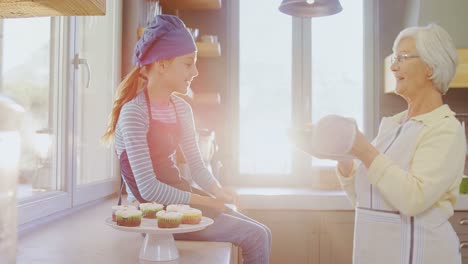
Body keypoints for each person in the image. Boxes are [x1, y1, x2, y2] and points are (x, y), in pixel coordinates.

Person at [101, 14, 271, 263]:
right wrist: (208, 201)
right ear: (161, 64)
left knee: (263, 232)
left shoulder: (181, 109)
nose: (195, 72)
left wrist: (218, 191)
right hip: (155, 215)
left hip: (179, 203)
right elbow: (149, 189)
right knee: (256, 236)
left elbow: (197, 165)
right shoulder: (134, 113)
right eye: (188, 64)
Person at [335, 24, 465, 263]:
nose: (393, 66)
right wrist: (344, 157)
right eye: (395, 58)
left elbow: (412, 198)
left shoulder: (445, 129)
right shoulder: (392, 126)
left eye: (403, 58)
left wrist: (363, 149)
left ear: (430, 67)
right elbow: (367, 200)